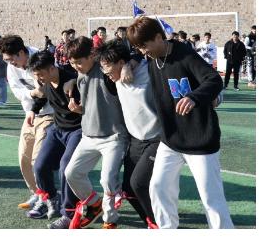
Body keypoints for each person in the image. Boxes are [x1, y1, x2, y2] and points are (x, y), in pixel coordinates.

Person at [127, 16, 233, 229]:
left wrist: (194, 97)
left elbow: (214, 80)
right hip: (170, 140)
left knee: (211, 199)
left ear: (159, 37)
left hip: (200, 139)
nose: (142, 51)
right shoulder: (151, 58)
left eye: (144, 46)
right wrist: (129, 63)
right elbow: (129, 53)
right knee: (158, 187)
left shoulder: (185, 54)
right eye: (138, 47)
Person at [64, 37, 128, 229]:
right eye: (72, 63)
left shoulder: (106, 71)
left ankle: (110, 220)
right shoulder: (80, 74)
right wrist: (79, 109)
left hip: (114, 137)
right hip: (88, 136)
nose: (76, 66)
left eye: (79, 62)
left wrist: (129, 66)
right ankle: (94, 204)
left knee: (107, 179)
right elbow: (90, 104)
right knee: (72, 173)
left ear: (92, 55)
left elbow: (128, 56)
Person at [99, 40, 161, 228]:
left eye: (108, 69)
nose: (106, 74)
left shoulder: (150, 72)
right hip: (136, 139)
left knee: (139, 183)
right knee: (128, 188)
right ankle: (152, 223)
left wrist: (132, 61)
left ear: (121, 63)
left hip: (158, 138)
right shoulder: (114, 77)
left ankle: (161, 224)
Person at [0, 35, 56, 214]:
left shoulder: (40, 58)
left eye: (11, 59)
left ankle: (47, 199)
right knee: (23, 158)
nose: (10, 63)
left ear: (21, 53)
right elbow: (17, 91)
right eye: (7, 60)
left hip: (49, 114)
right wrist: (32, 93)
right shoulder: (12, 67)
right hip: (30, 115)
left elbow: (48, 88)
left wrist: (38, 95)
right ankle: (37, 193)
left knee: (37, 160)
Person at [28, 50, 82, 227]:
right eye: (36, 75)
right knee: (40, 166)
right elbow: (43, 94)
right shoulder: (45, 82)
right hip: (57, 129)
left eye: (40, 74)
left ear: (52, 68)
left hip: (77, 130)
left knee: (66, 168)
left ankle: (69, 214)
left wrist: (75, 83)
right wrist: (33, 110)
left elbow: (86, 80)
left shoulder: (71, 80)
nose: (38, 79)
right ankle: (52, 198)